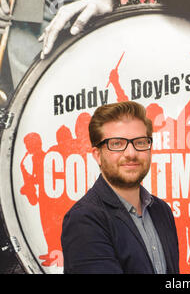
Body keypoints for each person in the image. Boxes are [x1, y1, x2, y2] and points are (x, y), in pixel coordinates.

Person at [61, 101, 179, 273]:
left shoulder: (161, 211)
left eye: (139, 142)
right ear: (98, 155)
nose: (131, 153)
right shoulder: (84, 219)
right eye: (116, 143)